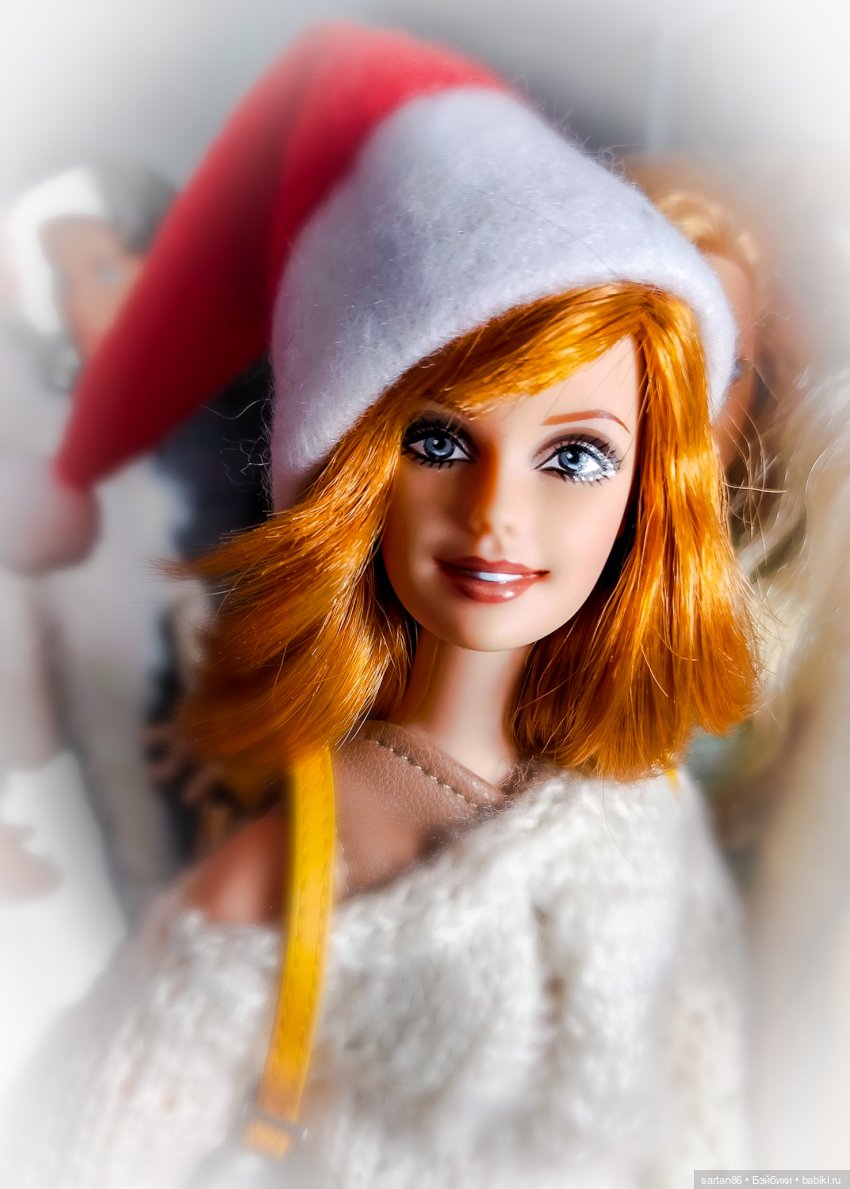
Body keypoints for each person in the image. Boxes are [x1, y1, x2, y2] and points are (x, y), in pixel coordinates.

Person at [0, 25, 757, 1188]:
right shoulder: (296, 861)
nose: (497, 515)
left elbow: (711, 1102)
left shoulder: (646, 796)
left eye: (575, 457)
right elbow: (78, 1145)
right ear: (352, 480)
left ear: (651, 488)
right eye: (439, 443)